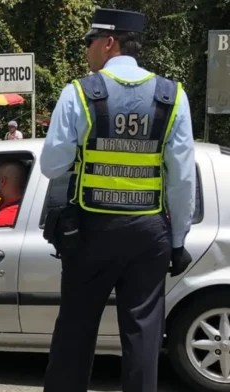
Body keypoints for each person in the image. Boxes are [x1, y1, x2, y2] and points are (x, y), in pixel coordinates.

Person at [39, 9, 196, 392]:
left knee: (75, 330)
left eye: (90, 41)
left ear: (109, 43)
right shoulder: (172, 95)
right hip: (149, 233)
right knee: (143, 333)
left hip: (91, 232)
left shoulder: (78, 92)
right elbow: (182, 177)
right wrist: (178, 241)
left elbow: (51, 164)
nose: (87, 51)